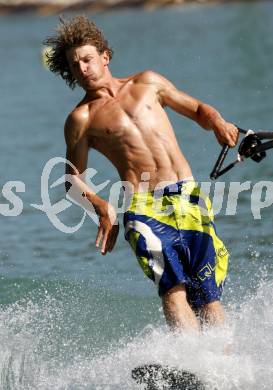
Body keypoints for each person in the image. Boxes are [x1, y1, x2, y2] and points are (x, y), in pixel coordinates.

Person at [44, 16, 238, 331]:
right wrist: (101, 206)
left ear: (105, 56)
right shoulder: (81, 119)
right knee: (173, 288)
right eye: (74, 64)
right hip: (143, 208)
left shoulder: (148, 83)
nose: (82, 68)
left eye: (87, 59)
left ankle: (222, 369)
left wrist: (218, 122)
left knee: (207, 296)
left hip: (189, 198)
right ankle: (191, 363)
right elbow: (71, 180)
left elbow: (198, 110)